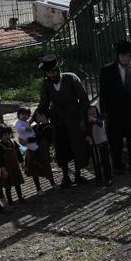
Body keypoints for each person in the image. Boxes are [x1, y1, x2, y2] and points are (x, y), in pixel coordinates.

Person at [38, 54, 91, 188]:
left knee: (77, 145)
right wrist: (37, 116)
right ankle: (66, 176)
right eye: (48, 72)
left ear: (58, 70)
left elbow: (84, 99)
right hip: (58, 120)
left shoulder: (71, 78)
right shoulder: (45, 84)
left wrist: (81, 117)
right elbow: (44, 103)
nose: (51, 74)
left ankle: (78, 174)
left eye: (53, 71)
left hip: (74, 117)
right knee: (62, 147)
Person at [99, 40, 131, 174]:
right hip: (115, 111)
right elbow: (103, 93)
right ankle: (118, 165)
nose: (125, 58)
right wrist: (104, 112)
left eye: (127, 56)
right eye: (122, 55)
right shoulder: (107, 70)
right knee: (116, 140)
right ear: (118, 56)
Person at [15, 105, 54, 195]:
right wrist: (23, 140)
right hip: (32, 151)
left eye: (36, 115)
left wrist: (27, 140)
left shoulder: (48, 127)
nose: (34, 117)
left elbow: (38, 136)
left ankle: (53, 183)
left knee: (46, 168)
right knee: (34, 170)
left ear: (42, 116)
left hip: (42, 152)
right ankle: (38, 188)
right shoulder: (36, 126)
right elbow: (24, 133)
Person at [0, 124, 25, 204]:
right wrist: (3, 170)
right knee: (8, 186)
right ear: (0, 136)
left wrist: (22, 163)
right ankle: (10, 201)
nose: (7, 136)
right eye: (5, 135)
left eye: (8, 134)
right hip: (6, 169)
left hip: (15, 167)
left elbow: (19, 154)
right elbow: (0, 160)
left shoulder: (13, 143)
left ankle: (20, 197)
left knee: (17, 183)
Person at [85, 105, 113, 185]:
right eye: (90, 114)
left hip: (102, 144)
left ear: (97, 113)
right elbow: (88, 132)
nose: (92, 115)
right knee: (96, 163)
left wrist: (94, 119)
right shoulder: (89, 124)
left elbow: (100, 124)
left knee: (105, 162)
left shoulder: (100, 120)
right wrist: (87, 136)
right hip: (94, 146)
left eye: (94, 113)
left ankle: (108, 177)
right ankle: (99, 179)